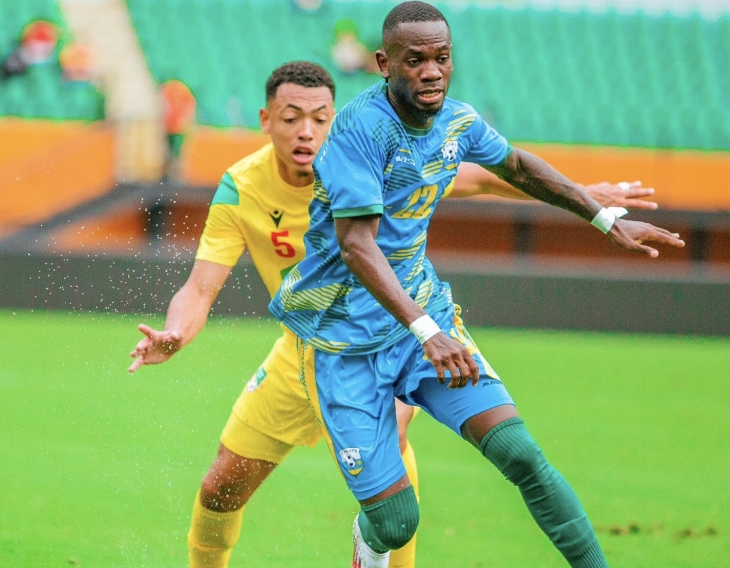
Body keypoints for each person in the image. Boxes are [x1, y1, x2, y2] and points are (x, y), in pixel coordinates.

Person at [127, 61, 656, 568]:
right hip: (305, 353)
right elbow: (199, 288)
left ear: (335, 118)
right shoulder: (242, 187)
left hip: (395, 336)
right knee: (221, 488)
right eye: (291, 118)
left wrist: (583, 198)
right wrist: (176, 332)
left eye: (319, 118)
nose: (306, 131)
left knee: (397, 469)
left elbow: (482, 175)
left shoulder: (366, 159)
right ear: (266, 120)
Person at [266, 4, 686, 568]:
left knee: (520, 453)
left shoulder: (458, 122)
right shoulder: (358, 130)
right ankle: (370, 538)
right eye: (415, 60)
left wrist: (605, 219)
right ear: (384, 64)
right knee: (396, 522)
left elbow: (519, 167)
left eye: (442, 58)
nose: (432, 72)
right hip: (343, 343)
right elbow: (357, 245)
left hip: (422, 320)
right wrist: (427, 332)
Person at [161, 79, 197, 181]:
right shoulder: (168, 94)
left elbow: (189, 108)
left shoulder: (184, 95)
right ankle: (169, 171)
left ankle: (176, 171)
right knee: (167, 149)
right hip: (169, 127)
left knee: (179, 150)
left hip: (179, 128)